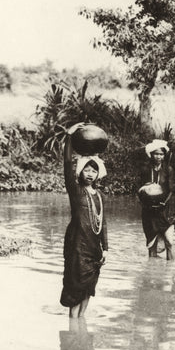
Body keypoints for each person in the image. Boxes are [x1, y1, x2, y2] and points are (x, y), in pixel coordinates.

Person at [60, 124, 108, 318]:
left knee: (89, 288)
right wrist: (70, 137)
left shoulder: (100, 195)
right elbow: (66, 163)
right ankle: (73, 326)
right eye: (86, 170)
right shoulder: (76, 191)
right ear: (80, 173)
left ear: (98, 174)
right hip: (77, 245)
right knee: (75, 287)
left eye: (93, 171)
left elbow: (102, 223)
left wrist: (105, 248)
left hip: (94, 248)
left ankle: (80, 325)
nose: (90, 174)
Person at [138, 139, 175, 260]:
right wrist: (145, 201)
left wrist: (163, 204)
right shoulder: (145, 169)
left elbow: (170, 190)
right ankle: (153, 271)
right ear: (151, 154)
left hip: (165, 210)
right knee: (151, 244)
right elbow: (139, 189)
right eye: (156, 153)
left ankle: (170, 270)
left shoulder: (168, 170)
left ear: (164, 155)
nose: (158, 156)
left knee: (169, 241)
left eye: (161, 154)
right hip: (149, 211)